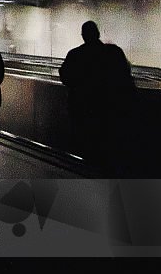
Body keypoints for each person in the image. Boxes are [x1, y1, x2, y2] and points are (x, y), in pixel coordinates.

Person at [58, 21, 137, 173]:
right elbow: (125, 76)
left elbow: (65, 77)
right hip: (109, 113)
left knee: (84, 151)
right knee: (107, 150)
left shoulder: (75, 55)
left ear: (83, 36)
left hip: (82, 112)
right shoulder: (114, 53)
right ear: (98, 34)